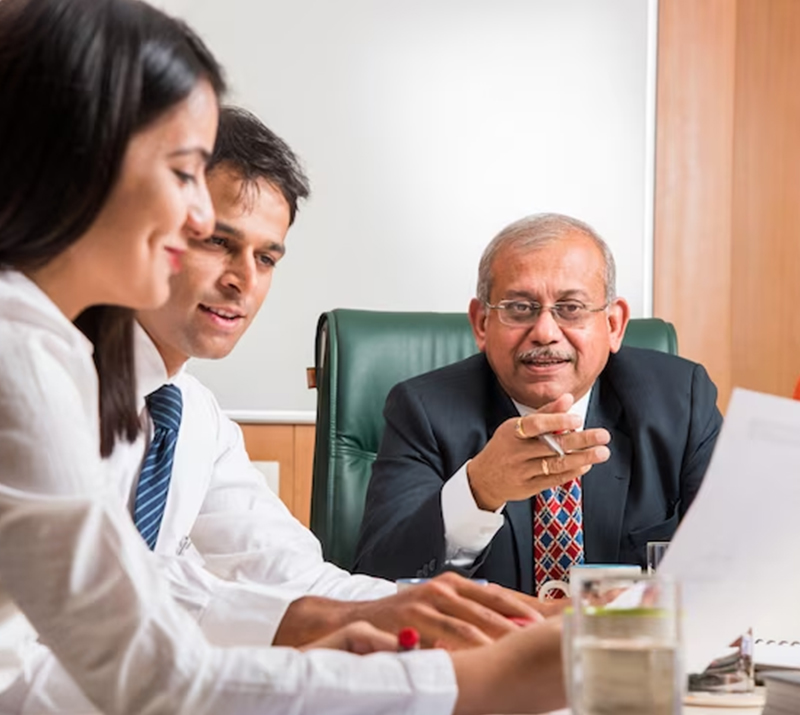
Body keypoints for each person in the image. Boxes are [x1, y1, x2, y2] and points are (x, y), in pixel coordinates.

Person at [0, 2, 566, 713]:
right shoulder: (25, 361)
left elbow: (216, 590)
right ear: (83, 163)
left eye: (267, 257)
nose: (197, 221)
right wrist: (474, 680)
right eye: (182, 173)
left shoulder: (174, 408)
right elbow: (135, 670)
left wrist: (450, 621)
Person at [354, 212, 723, 596]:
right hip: (493, 637)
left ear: (613, 325)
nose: (545, 333)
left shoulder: (681, 401)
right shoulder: (424, 411)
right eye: (519, 308)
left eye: (571, 308)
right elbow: (379, 582)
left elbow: (734, 565)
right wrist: (479, 490)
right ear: (481, 324)